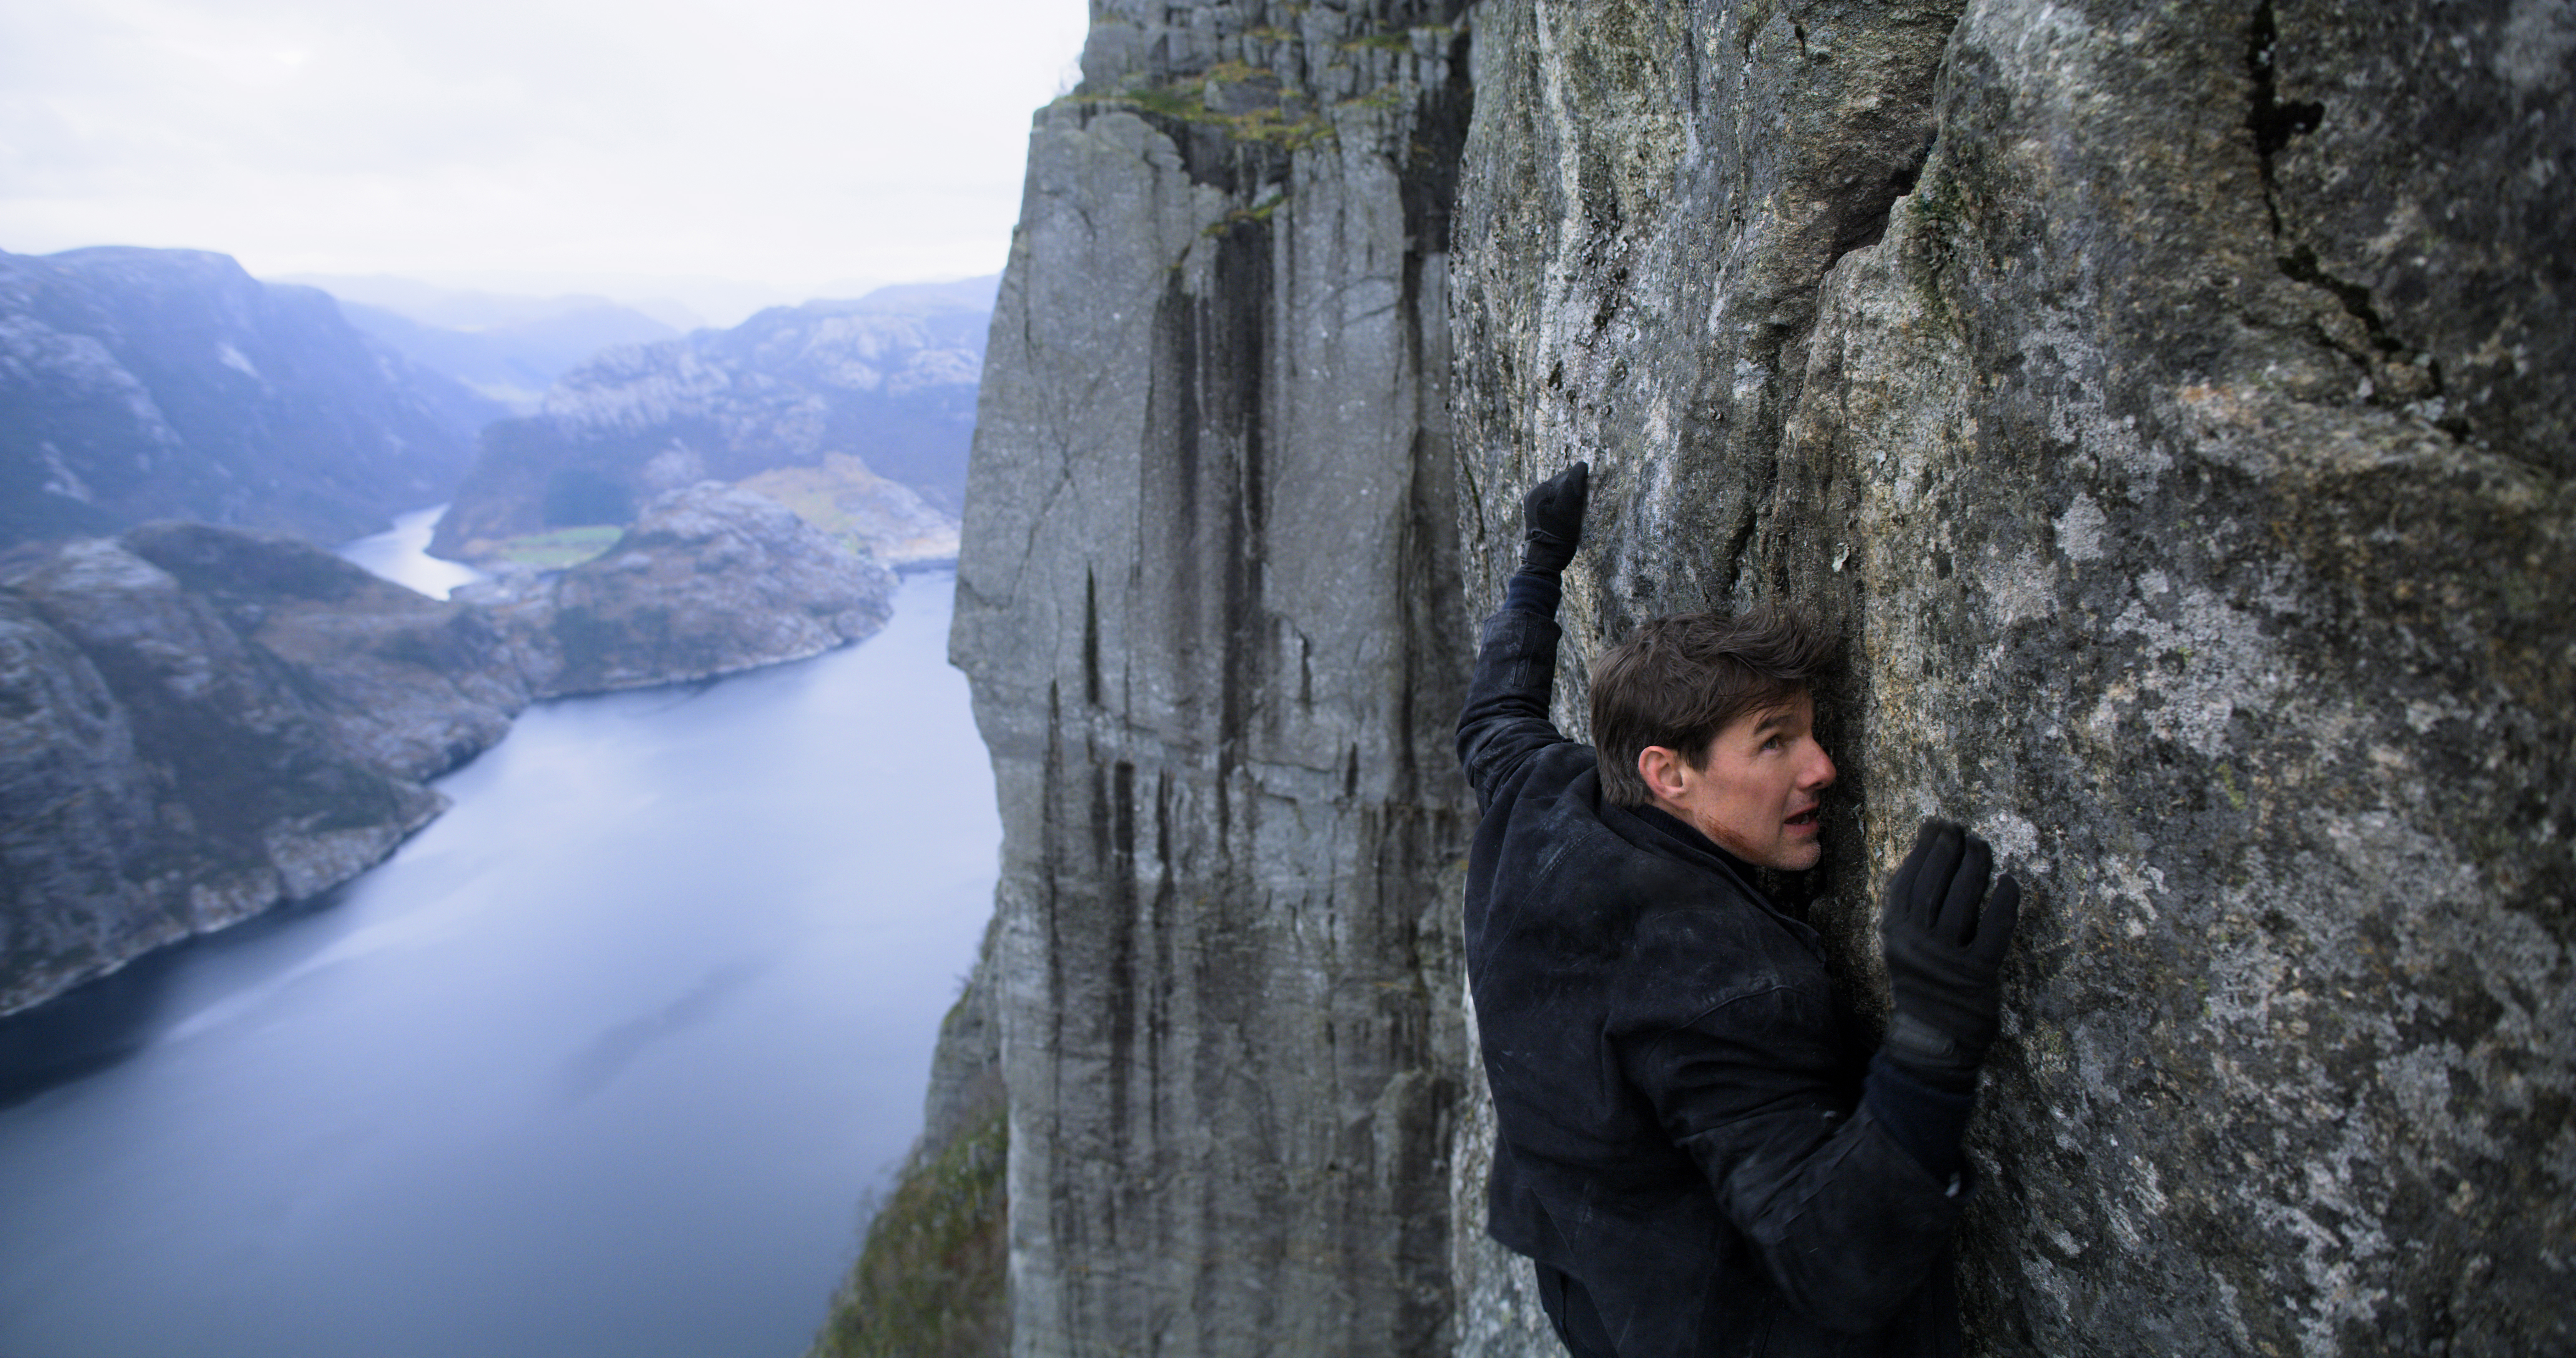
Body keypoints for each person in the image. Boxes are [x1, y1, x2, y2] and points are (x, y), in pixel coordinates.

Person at [1456, 462, 2022, 1357]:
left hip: (1584, 1275)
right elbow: (1835, 1257)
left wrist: (1540, 565)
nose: (1823, 769)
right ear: (1666, 773)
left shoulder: (1544, 796)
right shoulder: (1718, 980)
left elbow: (1493, 719)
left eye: (1811, 732)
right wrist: (1936, 1039)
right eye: (1774, 743)